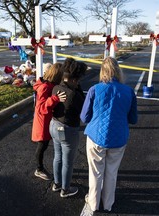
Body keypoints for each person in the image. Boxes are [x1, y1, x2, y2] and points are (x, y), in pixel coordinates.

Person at [80, 57, 138, 215]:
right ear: (118, 71)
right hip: (119, 138)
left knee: (95, 172)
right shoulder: (129, 91)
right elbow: (133, 119)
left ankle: (93, 203)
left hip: (96, 137)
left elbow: (84, 117)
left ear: (102, 71)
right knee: (112, 172)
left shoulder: (94, 89)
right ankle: (108, 204)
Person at [49, 58, 88, 198]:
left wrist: (75, 87)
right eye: (77, 80)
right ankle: (65, 189)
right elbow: (84, 109)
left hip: (54, 125)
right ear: (74, 79)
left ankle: (57, 183)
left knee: (57, 157)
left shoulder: (56, 87)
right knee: (68, 162)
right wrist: (78, 89)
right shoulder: (73, 95)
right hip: (67, 129)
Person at [32, 63, 66, 181]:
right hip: (43, 122)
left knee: (45, 145)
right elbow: (41, 107)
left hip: (48, 120)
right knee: (42, 145)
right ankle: (39, 169)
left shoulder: (49, 85)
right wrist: (55, 99)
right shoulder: (45, 87)